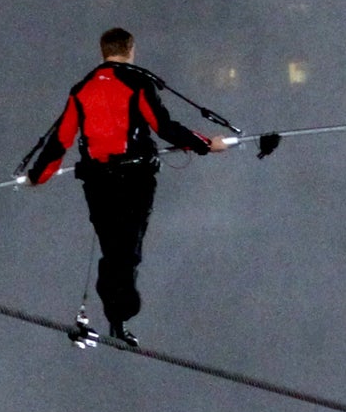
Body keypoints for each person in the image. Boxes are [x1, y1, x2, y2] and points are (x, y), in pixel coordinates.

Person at [19, 29, 228, 346]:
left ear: (102, 52)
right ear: (131, 50)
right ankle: (119, 318)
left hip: (97, 182)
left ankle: (116, 317)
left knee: (113, 249)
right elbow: (164, 127)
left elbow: (59, 141)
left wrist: (37, 176)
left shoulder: (82, 89)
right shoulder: (138, 83)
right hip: (134, 179)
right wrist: (205, 144)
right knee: (127, 249)